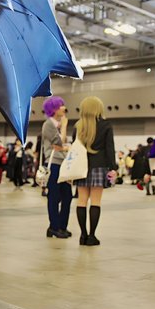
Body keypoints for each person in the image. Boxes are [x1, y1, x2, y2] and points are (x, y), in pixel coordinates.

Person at [72, 96, 117, 245]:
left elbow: (74, 149)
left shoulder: (78, 126)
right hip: (99, 166)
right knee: (96, 202)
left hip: (81, 167)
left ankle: (82, 236)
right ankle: (92, 236)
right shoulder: (106, 125)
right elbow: (110, 149)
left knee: (81, 200)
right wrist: (113, 168)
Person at [41, 96, 72, 238]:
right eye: (60, 106)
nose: (63, 108)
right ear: (53, 109)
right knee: (54, 196)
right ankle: (54, 227)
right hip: (53, 163)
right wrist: (64, 127)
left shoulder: (58, 125)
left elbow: (62, 145)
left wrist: (63, 146)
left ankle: (61, 226)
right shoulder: (48, 125)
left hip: (63, 163)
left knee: (67, 196)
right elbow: (59, 143)